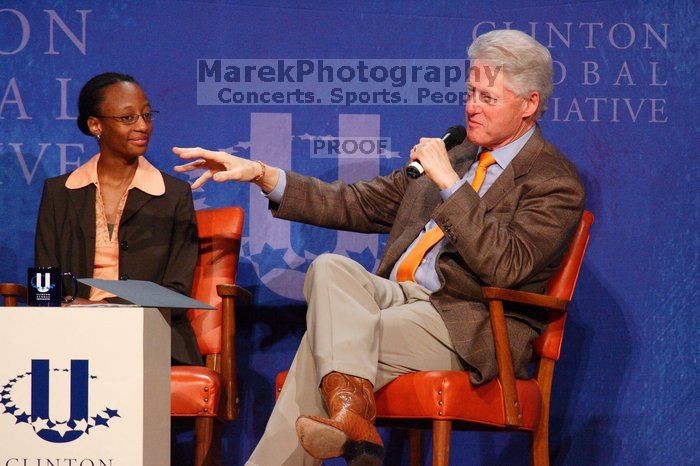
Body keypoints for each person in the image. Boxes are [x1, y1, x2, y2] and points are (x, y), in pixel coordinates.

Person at [174, 29, 585, 465]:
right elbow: (356, 202)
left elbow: (506, 266)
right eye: (469, 92)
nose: (470, 107)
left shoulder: (552, 181)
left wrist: (449, 184)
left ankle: (354, 427)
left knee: (327, 344)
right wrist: (260, 173)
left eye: (487, 98)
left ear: (529, 104)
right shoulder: (459, 153)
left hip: (466, 322)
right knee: (331, 267)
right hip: (398, 297)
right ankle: (354, 420)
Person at [35, 72, 202, 366]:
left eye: (147, 115)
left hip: (149, 335)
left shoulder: (174, 195)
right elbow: (44, 285)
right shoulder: (59, 192)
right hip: (69, 336)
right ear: (95, 125)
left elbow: (176, 291)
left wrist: (105, 311)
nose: (142, 126)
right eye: (128, 118)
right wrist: (72, 312)